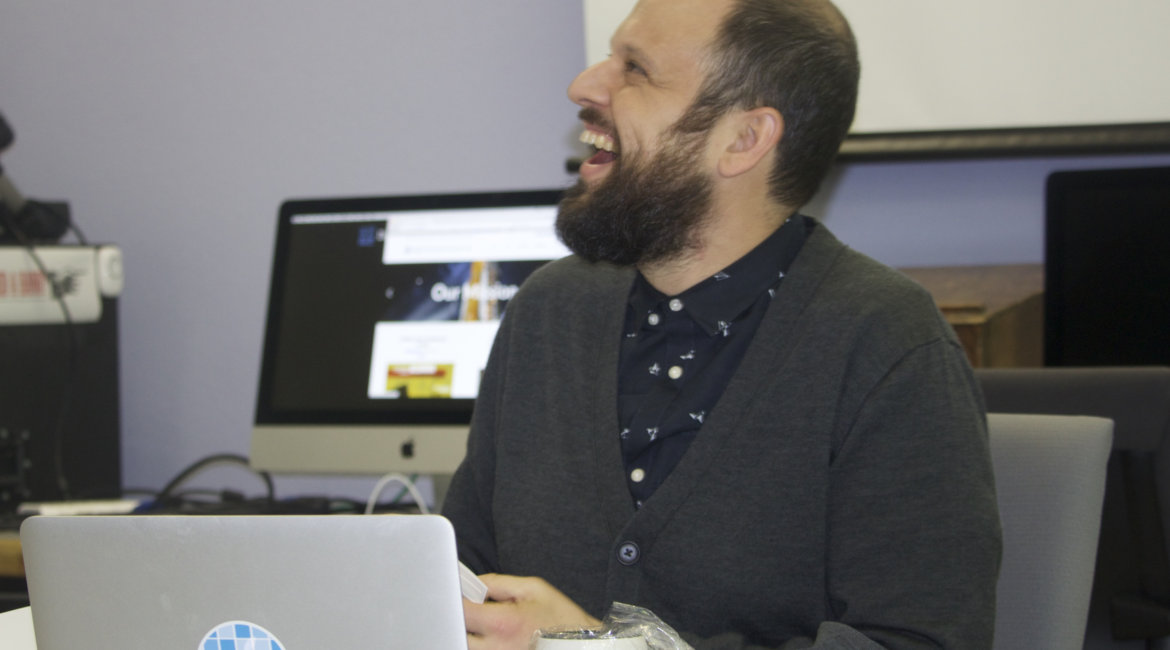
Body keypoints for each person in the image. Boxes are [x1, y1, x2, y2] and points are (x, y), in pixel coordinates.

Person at [443, 0, 1002, 648]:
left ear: (743, 140)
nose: (584, 86)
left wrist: (589, 648)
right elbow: (457, 580)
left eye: (636, 69)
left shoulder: (887, 346)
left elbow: (921, 642)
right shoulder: (550, 311)